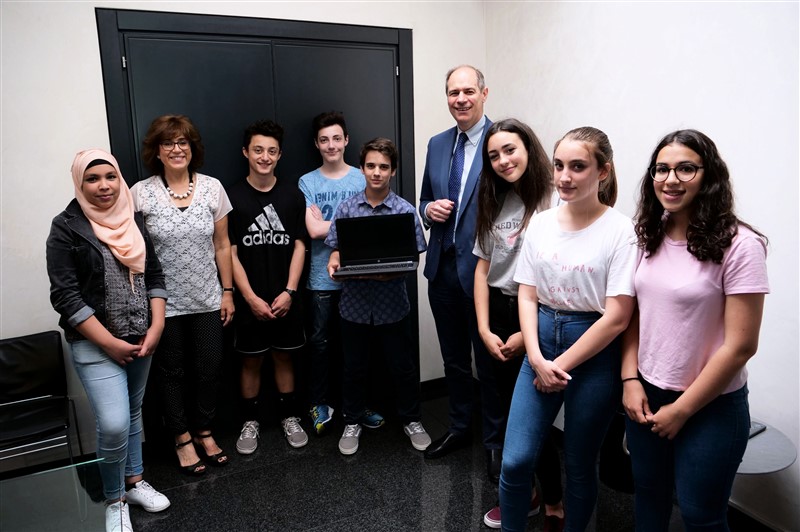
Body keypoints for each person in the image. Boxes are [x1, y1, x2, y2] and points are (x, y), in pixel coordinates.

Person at [622, 130, 769, 531]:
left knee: (701, 514)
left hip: (711, 407)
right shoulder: (647, 233)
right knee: (648, 500)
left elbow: (741, 346)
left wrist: (683, 410)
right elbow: (633, 314)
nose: (671, 179)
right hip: (647, 395)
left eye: (686, 168)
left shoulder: (741, 245)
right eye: (662, 169)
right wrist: (630, 378)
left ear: (709, 176)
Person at [499, 127, 637, 532]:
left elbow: (617, 316)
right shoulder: (540, 223)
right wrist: (538, 359)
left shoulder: (620, 231)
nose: (564, 177)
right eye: (559, 165)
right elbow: (527, 295)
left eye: (578, 167)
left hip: (593, 353)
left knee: (579, 463)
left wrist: (558, 364)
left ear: (603, 172)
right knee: (515, 460)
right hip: (540, 344)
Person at [47, 149, 171, 532]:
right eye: (93, 179)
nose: (103, 186)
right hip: (95, 342)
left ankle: (134, 482)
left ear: (120, 179)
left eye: (110, 177)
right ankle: (114, 498)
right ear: (79, 183)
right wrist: (109, 343)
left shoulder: (133, 219)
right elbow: (65, 296)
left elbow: (154, 274)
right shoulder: (66, 226)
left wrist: (157, 325)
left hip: (140, 335)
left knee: (133, 413)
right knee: (114, 422)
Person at [472, 119, 565, 531]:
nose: (503, 160)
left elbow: (559, 275)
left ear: (529, 148)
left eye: (510, 150)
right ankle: (525, 494)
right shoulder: (494, 199)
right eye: (493, 155)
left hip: (541, 313)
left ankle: (556, 502)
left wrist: (523, 335)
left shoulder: (554, 199)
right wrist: (483, 327)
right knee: (512, 413)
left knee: (535, 416)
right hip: (499, 311)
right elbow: (482, 267)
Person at [131, 115, 235, 474]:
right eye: (168, 143)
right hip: (163, 304)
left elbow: (222, 245)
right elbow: (132, 249)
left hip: (208, 297)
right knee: (171, 372)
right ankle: (182, 438)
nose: (177, 149)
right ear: (157, 151)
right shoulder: (140, 193)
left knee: (210, 368)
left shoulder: (212, 188)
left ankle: (205, 431)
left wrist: (228, 291)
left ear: (192, 148)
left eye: (183, 142)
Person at [419, 65, 505, 470]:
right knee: (453, 358)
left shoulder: (502, 143)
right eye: (453, 93)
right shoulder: (437, 144)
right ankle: (458, 427)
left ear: (485, 94)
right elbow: (423, 199)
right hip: (442, 270)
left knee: (487, 363)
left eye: (469, 91)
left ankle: (494, 443)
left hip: (485, 275)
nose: (461, 99)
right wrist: (427, 209)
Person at [326, 137, 431, 455]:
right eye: (370, 166)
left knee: (402, 366)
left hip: (392, 306)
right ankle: (352, 421)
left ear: (393, 171)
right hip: (354, 306)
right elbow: (335, 252)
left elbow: (413, 258)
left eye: (383, 167)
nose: (376, 172)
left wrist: (390, 271)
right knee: (353, 367)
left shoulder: (405, 210)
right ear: (362, 169)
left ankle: (412, 419)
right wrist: (335, 264)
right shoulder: (346, 208)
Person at [298, 111, 383, 435]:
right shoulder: (308, 181)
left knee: (358, 347)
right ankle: (319, 403)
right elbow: (311, 229)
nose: (331, 145)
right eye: (324, 140)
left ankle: (357, 407)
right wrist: (350, 225)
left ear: (346, 140)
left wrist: (329, 226)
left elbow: (369, 227)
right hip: (321, 278)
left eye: (336, 138)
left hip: (359, 276)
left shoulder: (362, 177)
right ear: (317, 145)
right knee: (319, 344)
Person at [228, 119, 309, 454]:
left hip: (284, 297)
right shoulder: (231, 197)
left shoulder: (292, 195)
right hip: (251, 300)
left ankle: (290, 417)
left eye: (271, 151)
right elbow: (228, 251)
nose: (264, 156)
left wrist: (290, 292)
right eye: (258, 150)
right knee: (250, 361)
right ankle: (250, 422)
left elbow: (300, 245)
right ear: (246, 152)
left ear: (279, 155)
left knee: (284, 357)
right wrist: (248, 298)